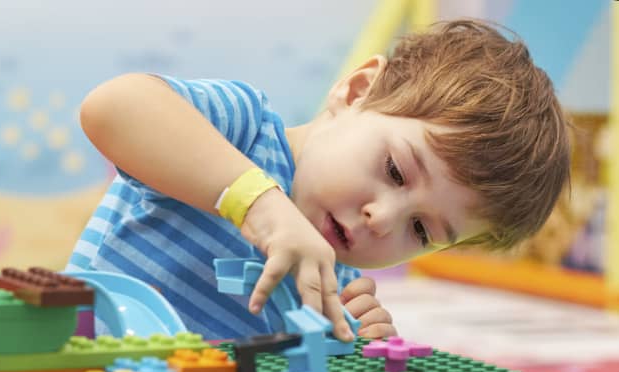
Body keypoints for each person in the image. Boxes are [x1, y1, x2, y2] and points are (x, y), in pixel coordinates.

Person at [67, 19, 570, 343]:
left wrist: (351, 344)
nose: (384, 218)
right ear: (356, 91)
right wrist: (260, 204)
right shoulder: (243, 131)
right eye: (395, 170)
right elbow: (114, 107)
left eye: (421, 231)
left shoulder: (335, 284)